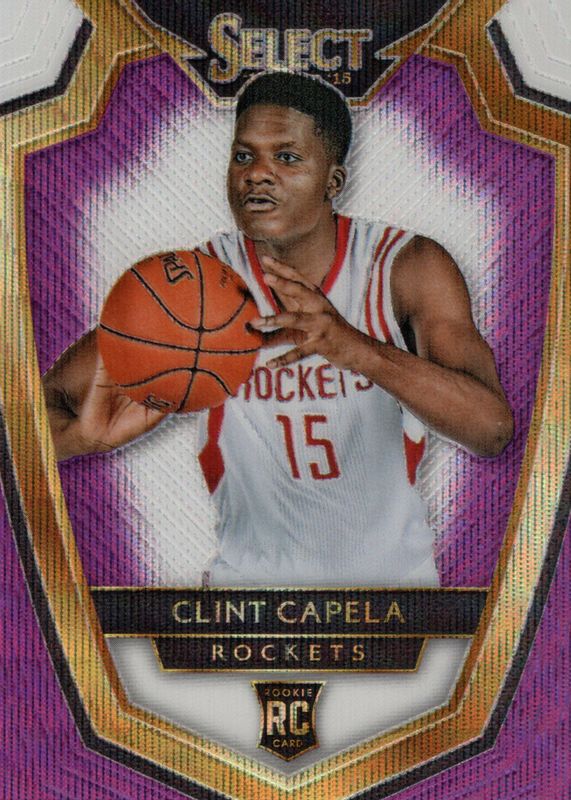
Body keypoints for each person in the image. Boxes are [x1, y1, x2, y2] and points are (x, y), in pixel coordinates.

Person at [43, 72, 513, 587]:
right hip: (245, 602)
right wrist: (77, 439)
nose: (257, 175)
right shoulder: (191, 285)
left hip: (393, 602)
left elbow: (491, 430)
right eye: (243, 156)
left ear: (334, 181)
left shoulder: (405, 266)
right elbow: (30, 418)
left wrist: (355, 349)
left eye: (287, 158)